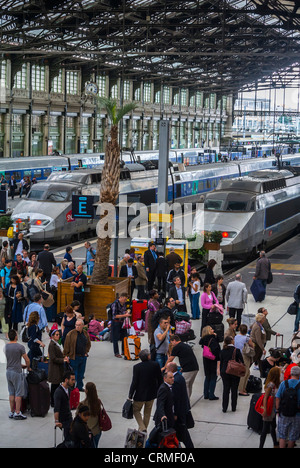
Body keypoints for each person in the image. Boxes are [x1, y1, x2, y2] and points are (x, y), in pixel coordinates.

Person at [128, 349, 163, 433]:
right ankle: (143, 430)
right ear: (148, 356)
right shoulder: (155, 365)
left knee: (136, 410)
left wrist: (130, 395)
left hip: (140, 394)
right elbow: (160, 379)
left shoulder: (137, 367)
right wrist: (160, 391)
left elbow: (134, 382)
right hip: (151, 394)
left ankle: (142, 427)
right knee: (147, 413)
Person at [4, 328, 30, 420]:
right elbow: (27, 359)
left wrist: (20, 365)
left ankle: (11, 411)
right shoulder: (20, 347)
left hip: (8, 371)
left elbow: (12, 359)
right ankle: (17, 412)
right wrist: (28, 367)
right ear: (16, 336)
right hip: (17, 372)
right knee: (18, 393)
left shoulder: (6, 346)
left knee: (11, 392)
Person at [166, 362, 194, 448]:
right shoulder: (179, 376)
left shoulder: (176, 381)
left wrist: (175, 414)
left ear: (171, 370)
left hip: (179, 412)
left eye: (167, 369)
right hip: (183, 410)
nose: (166, 370)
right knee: (181, 432)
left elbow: (176, 399)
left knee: (182, 432)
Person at [165, 334, 199, 398]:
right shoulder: (185, 345)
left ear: (174, 340)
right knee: (189, 385)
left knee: (185, 385)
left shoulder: (177, 347)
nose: (171, 344)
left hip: (188, 369)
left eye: (171, 342)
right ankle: (187, 400)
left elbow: (170, 359)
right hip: (194, 368)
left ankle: (186, 402)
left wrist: (165, 367)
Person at [276, 365, 300, 448]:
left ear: (290, 373)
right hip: (297, 414)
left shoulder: (284, 383)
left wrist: (278, 410)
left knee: (282, 435)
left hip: (284, 413)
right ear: (299, 374)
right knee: (293, 436)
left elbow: (278, 398)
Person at [63, 319, 91, 391]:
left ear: (82, 326)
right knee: (74, 373)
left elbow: (88, 344)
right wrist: (65, 355)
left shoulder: (85, 333)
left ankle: (79, 386)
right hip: (74, 357)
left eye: (79, 325)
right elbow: (66, 345)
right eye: (76, 325)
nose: (77, 327)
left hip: (83, 356)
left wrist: (86, 352)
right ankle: (71, 386)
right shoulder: (70, 334)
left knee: (81, 373)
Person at [220, 335, 244, 413]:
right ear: (231, 341)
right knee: (234, 390)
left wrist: (221, 371)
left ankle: (224, 408)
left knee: (226, 390)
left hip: (225, 371)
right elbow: (242, 361)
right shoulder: (236, 350)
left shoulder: (223, 351)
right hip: (234, 372)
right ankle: (233, 407)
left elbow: (221, 362)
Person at [259, 366, 281, 448]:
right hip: (269, 409)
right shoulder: (271, 384)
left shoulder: (275, 384)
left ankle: (275, 443)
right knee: (265, 429)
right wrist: (264, 410)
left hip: (273, 409)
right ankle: (261, 446)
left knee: (273, 426)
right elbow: (265, 397)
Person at [48, 329, 70, 407]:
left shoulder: (56, 344)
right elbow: (53, 358)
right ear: (52, 336)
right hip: (54, 369)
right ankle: (53, 402)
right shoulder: (51, 345)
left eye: (58, 334)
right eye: (56, 335)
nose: (58, 336)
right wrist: (63, 360)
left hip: (58, 368)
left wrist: (64, 357)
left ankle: (55, 401)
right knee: (55, 386)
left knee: (56, 385)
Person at [199, 326, 221, 400]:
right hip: (213, 360)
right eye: (211, 329)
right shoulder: (213, 340)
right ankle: (211, 394)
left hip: (206, 359)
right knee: (213, 377)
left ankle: (206, 394)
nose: (213, 330)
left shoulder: (204, 340)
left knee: (207, 376)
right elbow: (216, 350)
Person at [54, 370, 76, 442]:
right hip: (64, 419)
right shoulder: (58, 392)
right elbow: (56, 408)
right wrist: (57, 421)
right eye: (72, 380)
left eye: (74, 380)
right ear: (66, 380)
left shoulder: (69, 389)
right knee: (68, 439)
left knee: (71, 437)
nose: (74, 382)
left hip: (69, 417)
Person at [81, 382, 104, 448]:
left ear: (87, 391)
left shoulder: (83, 404)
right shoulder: (98, 402)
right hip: (97, 431)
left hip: (87, 432)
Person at [234, 324, 255, 396]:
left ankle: (243, 387)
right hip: (244, 356)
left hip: (237, 355)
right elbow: (252, 346)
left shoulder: (236, 337)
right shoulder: (247, 338)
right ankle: (241, 389)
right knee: (244, 373)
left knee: (247, 372)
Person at [110, 292, 131, 358]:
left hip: (122, 322)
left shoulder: (124, 304)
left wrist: (126, 312)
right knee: (115, 338)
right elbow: (115, 315)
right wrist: (125, 315)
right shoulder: (115, 304)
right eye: (124, 299)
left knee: (124, 337)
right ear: (121, 297)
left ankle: (123, 351)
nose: (125, 301)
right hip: (116, 323)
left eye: (126, 300)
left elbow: (122, 312)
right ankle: (116, 352)